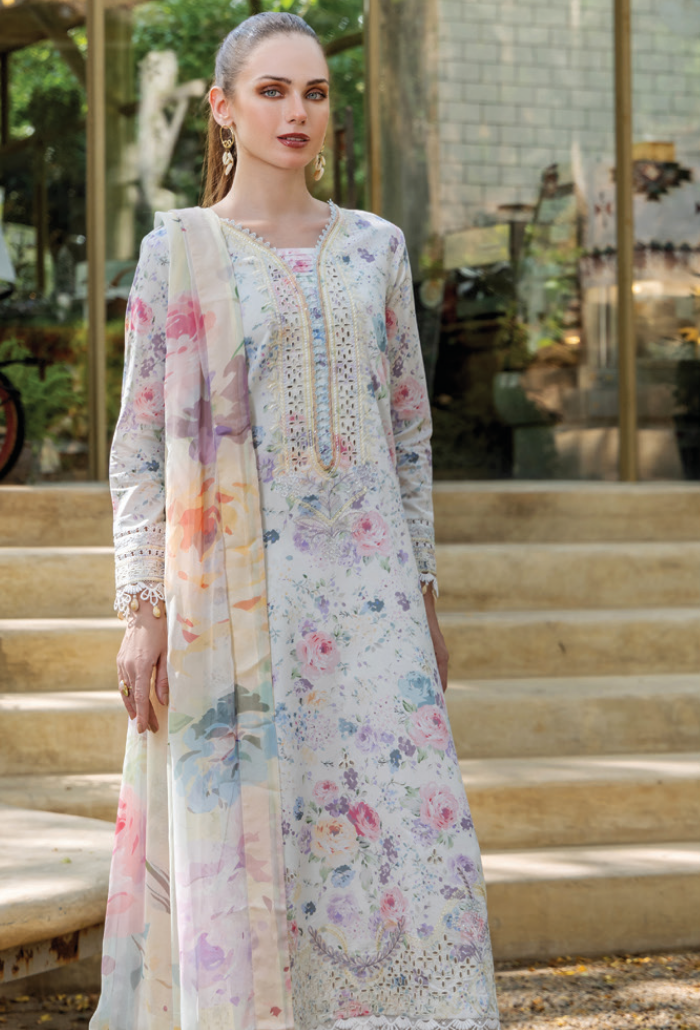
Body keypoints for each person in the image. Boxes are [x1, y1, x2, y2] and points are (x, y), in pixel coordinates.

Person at [89, 11, 501, 1030]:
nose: (296, 112)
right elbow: (139, 448)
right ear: (222, 109)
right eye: (271, 91)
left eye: (313, 92)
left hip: (371, 607)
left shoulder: (375, 248)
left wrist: (424, 595)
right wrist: (141, 609)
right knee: (261, 843)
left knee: (408, 837)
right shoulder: (179, 251)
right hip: (234, 606)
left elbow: (408, 438)